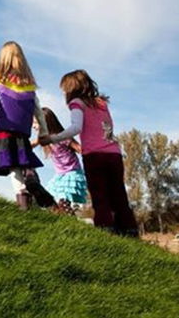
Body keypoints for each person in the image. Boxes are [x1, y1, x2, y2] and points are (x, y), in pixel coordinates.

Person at [40, 70, 139, 236]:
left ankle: (106, 230)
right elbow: (107, 127)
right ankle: (129, 230)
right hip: (114, 153)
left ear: (71, 88)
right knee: (118, 193)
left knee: (99, 195)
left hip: (94, 155)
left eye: (65, 89)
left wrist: (53, 138)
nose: (64, 93)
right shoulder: (101, 103)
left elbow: (76, 127)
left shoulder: (77, 103)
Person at [0, 41, 57, 210]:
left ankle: (23, 204)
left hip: (0, 131)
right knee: (20, 164)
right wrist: (43, 132)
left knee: (13, 168)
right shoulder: (27, 84)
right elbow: (38, 111)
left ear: (3, 58)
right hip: (20, 133)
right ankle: (30, 182)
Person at [34, 107, 87, 214]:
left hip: (71, 173)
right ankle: (61, 218)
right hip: (60, 176)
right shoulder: (44, 140)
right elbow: (30, 145)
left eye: (36, 123)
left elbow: (80, 149)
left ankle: (70, 221)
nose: (33, 126)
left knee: (63, 202)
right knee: (50, 200)